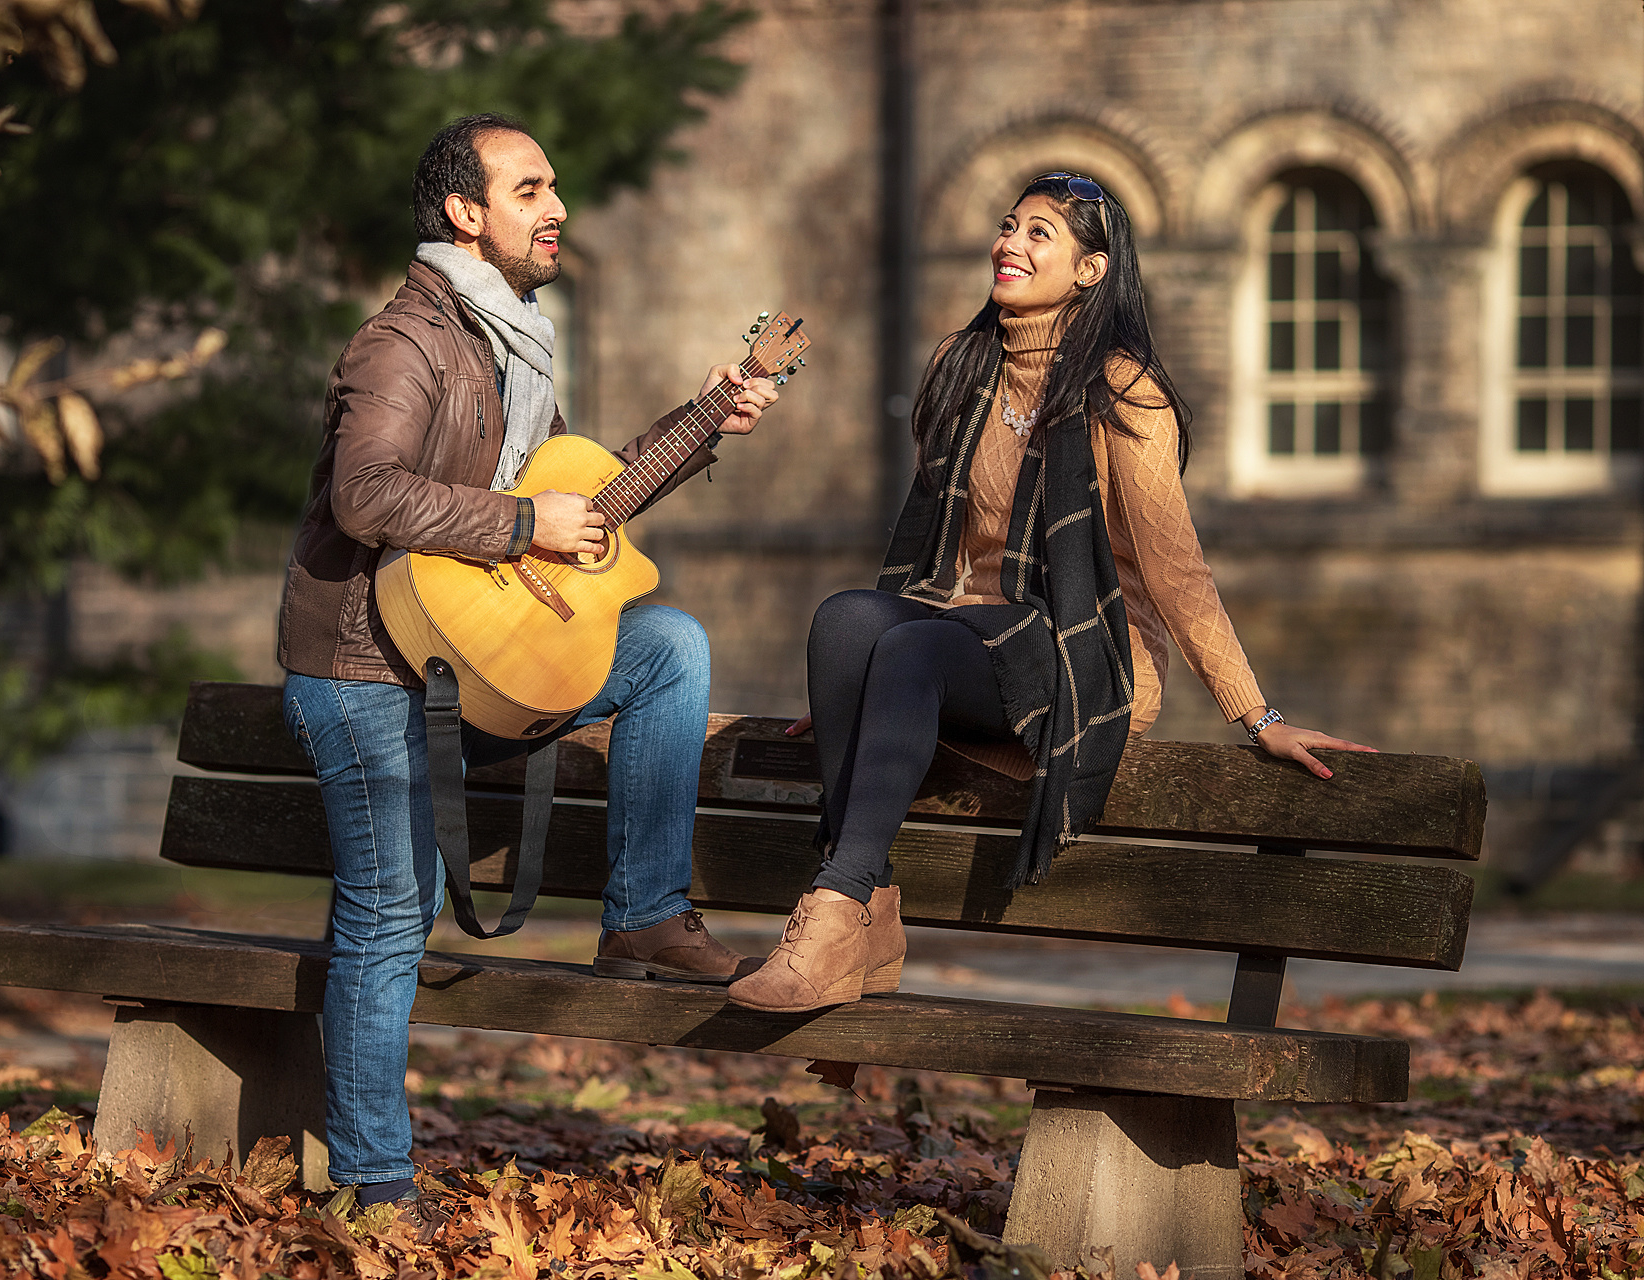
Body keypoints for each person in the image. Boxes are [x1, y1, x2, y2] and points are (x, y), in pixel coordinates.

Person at [277, 113, 779, 1205]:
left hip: (471, 658)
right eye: (531, 190)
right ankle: (374, 1186)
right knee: (390, 911)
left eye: (555, 187)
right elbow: (365, 495)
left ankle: (643, 913)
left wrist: (707, 419)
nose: (558, 208)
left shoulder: (514, 342)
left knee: (668, 646)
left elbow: (584, 498)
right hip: (367, 664)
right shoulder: (404, 344)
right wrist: (519, 524)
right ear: (466, 212)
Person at [727, 172, 1375, 1015]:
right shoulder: (962, 367)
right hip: (969, 636)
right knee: (845, 621)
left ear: (1090, 270)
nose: (1010, 244)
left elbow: (1177, 569)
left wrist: (1257, 714)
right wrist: (855, 683)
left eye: (1040, 233)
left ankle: (836, 913)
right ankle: (861, 912)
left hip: (1086, 651)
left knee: (908, 648)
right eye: (1009, 226)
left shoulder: (1124, 391)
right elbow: (932, 552)